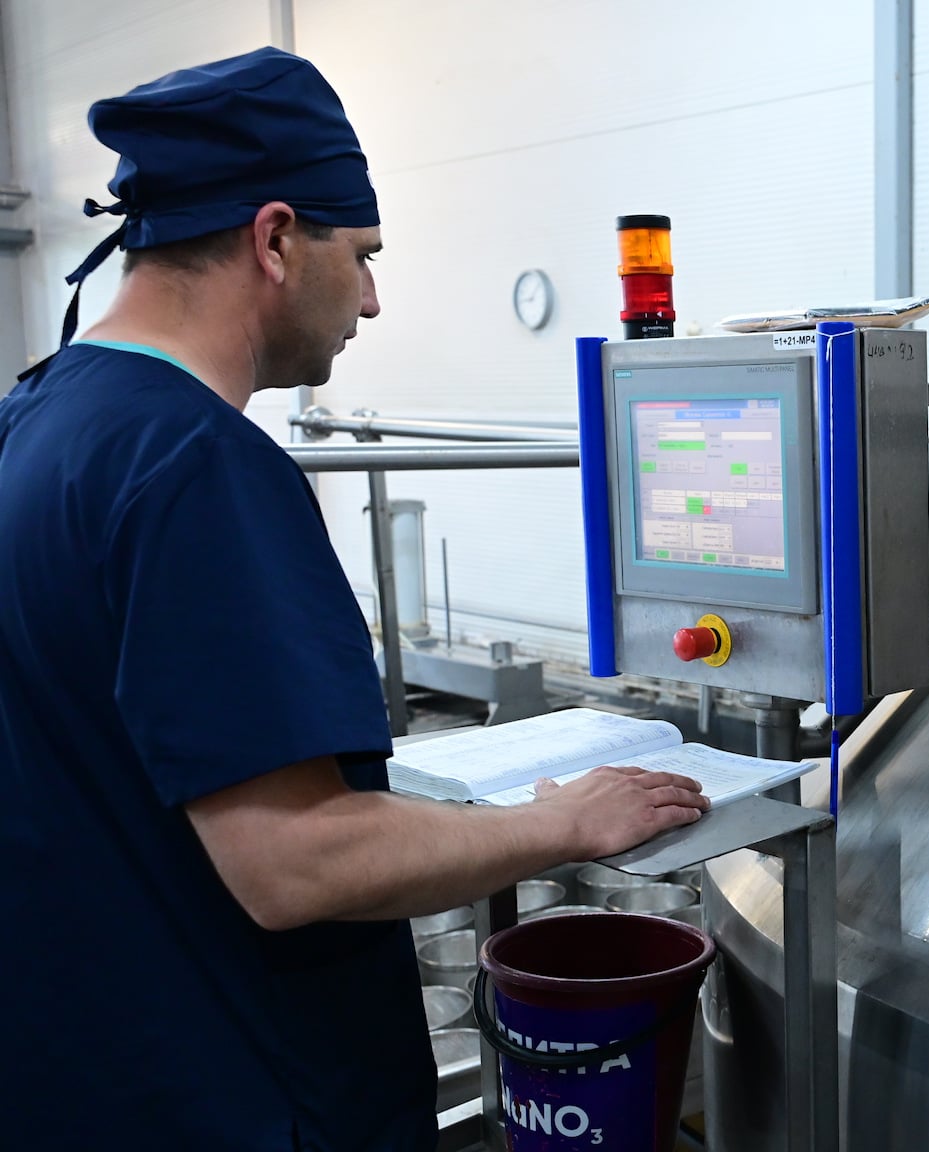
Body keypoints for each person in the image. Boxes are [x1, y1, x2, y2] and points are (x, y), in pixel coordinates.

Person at [0, 48, 708, 1149]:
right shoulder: (195, 464)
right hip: (233, 1095)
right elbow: (298, 862)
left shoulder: (40, 416)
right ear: (276, 239)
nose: (371, 299)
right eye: (364, 256)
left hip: (87, 1073)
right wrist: (559, 823)